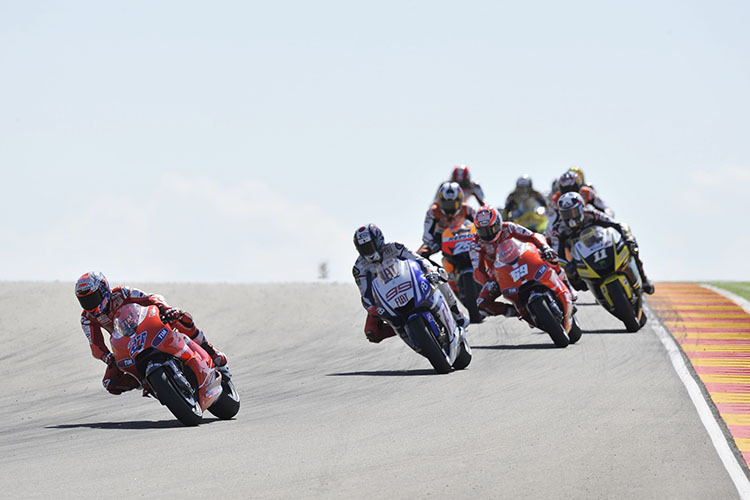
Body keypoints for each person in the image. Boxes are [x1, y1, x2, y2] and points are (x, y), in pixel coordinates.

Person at [75, 271, 227, 395]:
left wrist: (164, 308)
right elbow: (95, 344)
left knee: (181, 318)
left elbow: (150, 298)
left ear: (103, 290)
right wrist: (107, 357)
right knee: (110, 383)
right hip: (126, 343)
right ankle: (145, 382)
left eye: (92, 298)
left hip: (148, 326)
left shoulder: (122, 292)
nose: (90, 305)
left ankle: (210, 350)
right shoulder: (87, 318)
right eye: (85, 301)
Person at [352, 224, 469, 343]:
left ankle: (455, 312)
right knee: (371, 332)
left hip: (409, 284)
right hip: (385, 299)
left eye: (370, 246)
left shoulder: (394, 248)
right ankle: (404, 329)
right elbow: (365, 293)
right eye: (363, 248)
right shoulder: (359, 268)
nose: (368, 251)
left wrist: (430, 270)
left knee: (439, 274)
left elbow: (418, 259)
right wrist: (371, 308)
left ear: (378, 241)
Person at [470, 205, 576, 317]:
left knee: (549, 256)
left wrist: (544, 247)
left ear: (499, 223)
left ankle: (566, 285)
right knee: (482, 303)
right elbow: (478, 270)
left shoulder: (508, 227)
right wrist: (487, 282)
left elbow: (532, 235)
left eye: (491, 228)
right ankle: (516, 311)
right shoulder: (475, 244)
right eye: (483, 231)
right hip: (500, 274)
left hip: (523, 259)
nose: (488, 234)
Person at [550, 192, 654, 294]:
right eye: (566, 214)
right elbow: (558, 253)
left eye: (573, 212)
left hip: (602, 245)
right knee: (574, 281)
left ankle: (643, 279)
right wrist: (567, 266)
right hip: (580, 257)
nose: (571, 217)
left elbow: (616, 224)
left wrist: (628, 238)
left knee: (631, 246)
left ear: (581, 208)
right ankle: (590, 291)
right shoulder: (559, 229)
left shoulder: (592, 214)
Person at [421, 181, 477, 257]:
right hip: (439, 240)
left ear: (460, 201)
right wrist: (433, 244)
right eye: (446, 204)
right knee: (419, 255)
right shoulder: (432, 212)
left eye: (454, 204)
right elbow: (426, 234)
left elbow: (479, 225)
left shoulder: (468, 209)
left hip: (463, 236)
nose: (450, 208)